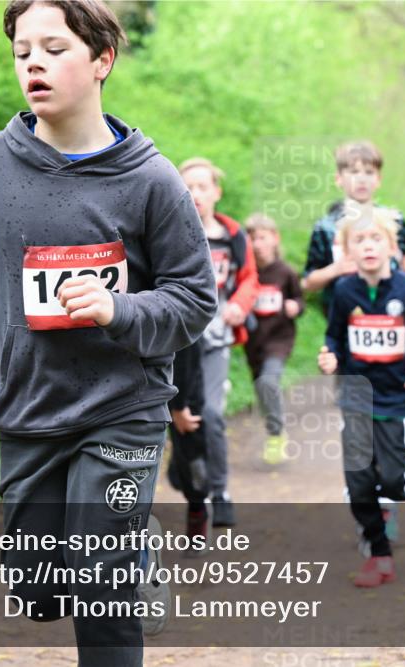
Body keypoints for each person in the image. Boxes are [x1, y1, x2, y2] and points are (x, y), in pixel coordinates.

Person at [0, 2, 216, 663]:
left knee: (100, 576)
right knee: (37, 587)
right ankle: (134, 543)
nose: (33, 61)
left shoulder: (152, 180)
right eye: (21, 51)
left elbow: (194, 299)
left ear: (101, 61)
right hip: (31, 406)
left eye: (54, 48)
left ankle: (123, 550)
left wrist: (118, 309)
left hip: (124, 405)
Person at [317, 208, 405, 587]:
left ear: (392, 247)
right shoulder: (345, 291)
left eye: (375, 239)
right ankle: (380, 557)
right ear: (348, 250)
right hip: (357, 399)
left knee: (395, 484)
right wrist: (330, 356)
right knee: (358, 485)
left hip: (399, 401)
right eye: (359, 241)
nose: (368, 247)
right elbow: (335, 337)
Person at [179, 157, 259, 526]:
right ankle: (191, 491)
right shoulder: (171, 230)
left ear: (216, 192)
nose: (195, 194)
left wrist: (240, 306)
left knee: (210, 414)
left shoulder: (233, 235)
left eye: (202, 187)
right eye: (188, 187)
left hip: (215, 338)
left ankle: (221, 491)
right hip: (178, 341)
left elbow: (249, 280)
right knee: (182, 419)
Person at [301, 140, 405, 315]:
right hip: (344, 321)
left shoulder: (392, 220)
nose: (362, 179)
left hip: (392, 315)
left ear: (378, 179)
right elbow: (308, 282)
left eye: (369, 172)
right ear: (339, 178)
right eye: (354, 172)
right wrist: (336, 269)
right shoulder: (326, 227)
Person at [243, 213, 303, 465]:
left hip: (279, 339)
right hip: (253, 341)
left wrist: (295, 306)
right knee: (261, 388)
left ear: (274, 239)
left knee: (269, 381)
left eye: (262, 238)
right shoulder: (247, 272)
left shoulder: (285, 272)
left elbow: (300, 300)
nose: (257, 244)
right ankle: (273, 427)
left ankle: (277, 434)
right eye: (252, 239)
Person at [166, 342, 211, 546]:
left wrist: (179, 405)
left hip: (184, 386)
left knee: (191, 451)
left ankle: (198, 507)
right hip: (137, 383)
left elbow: (186, 348)